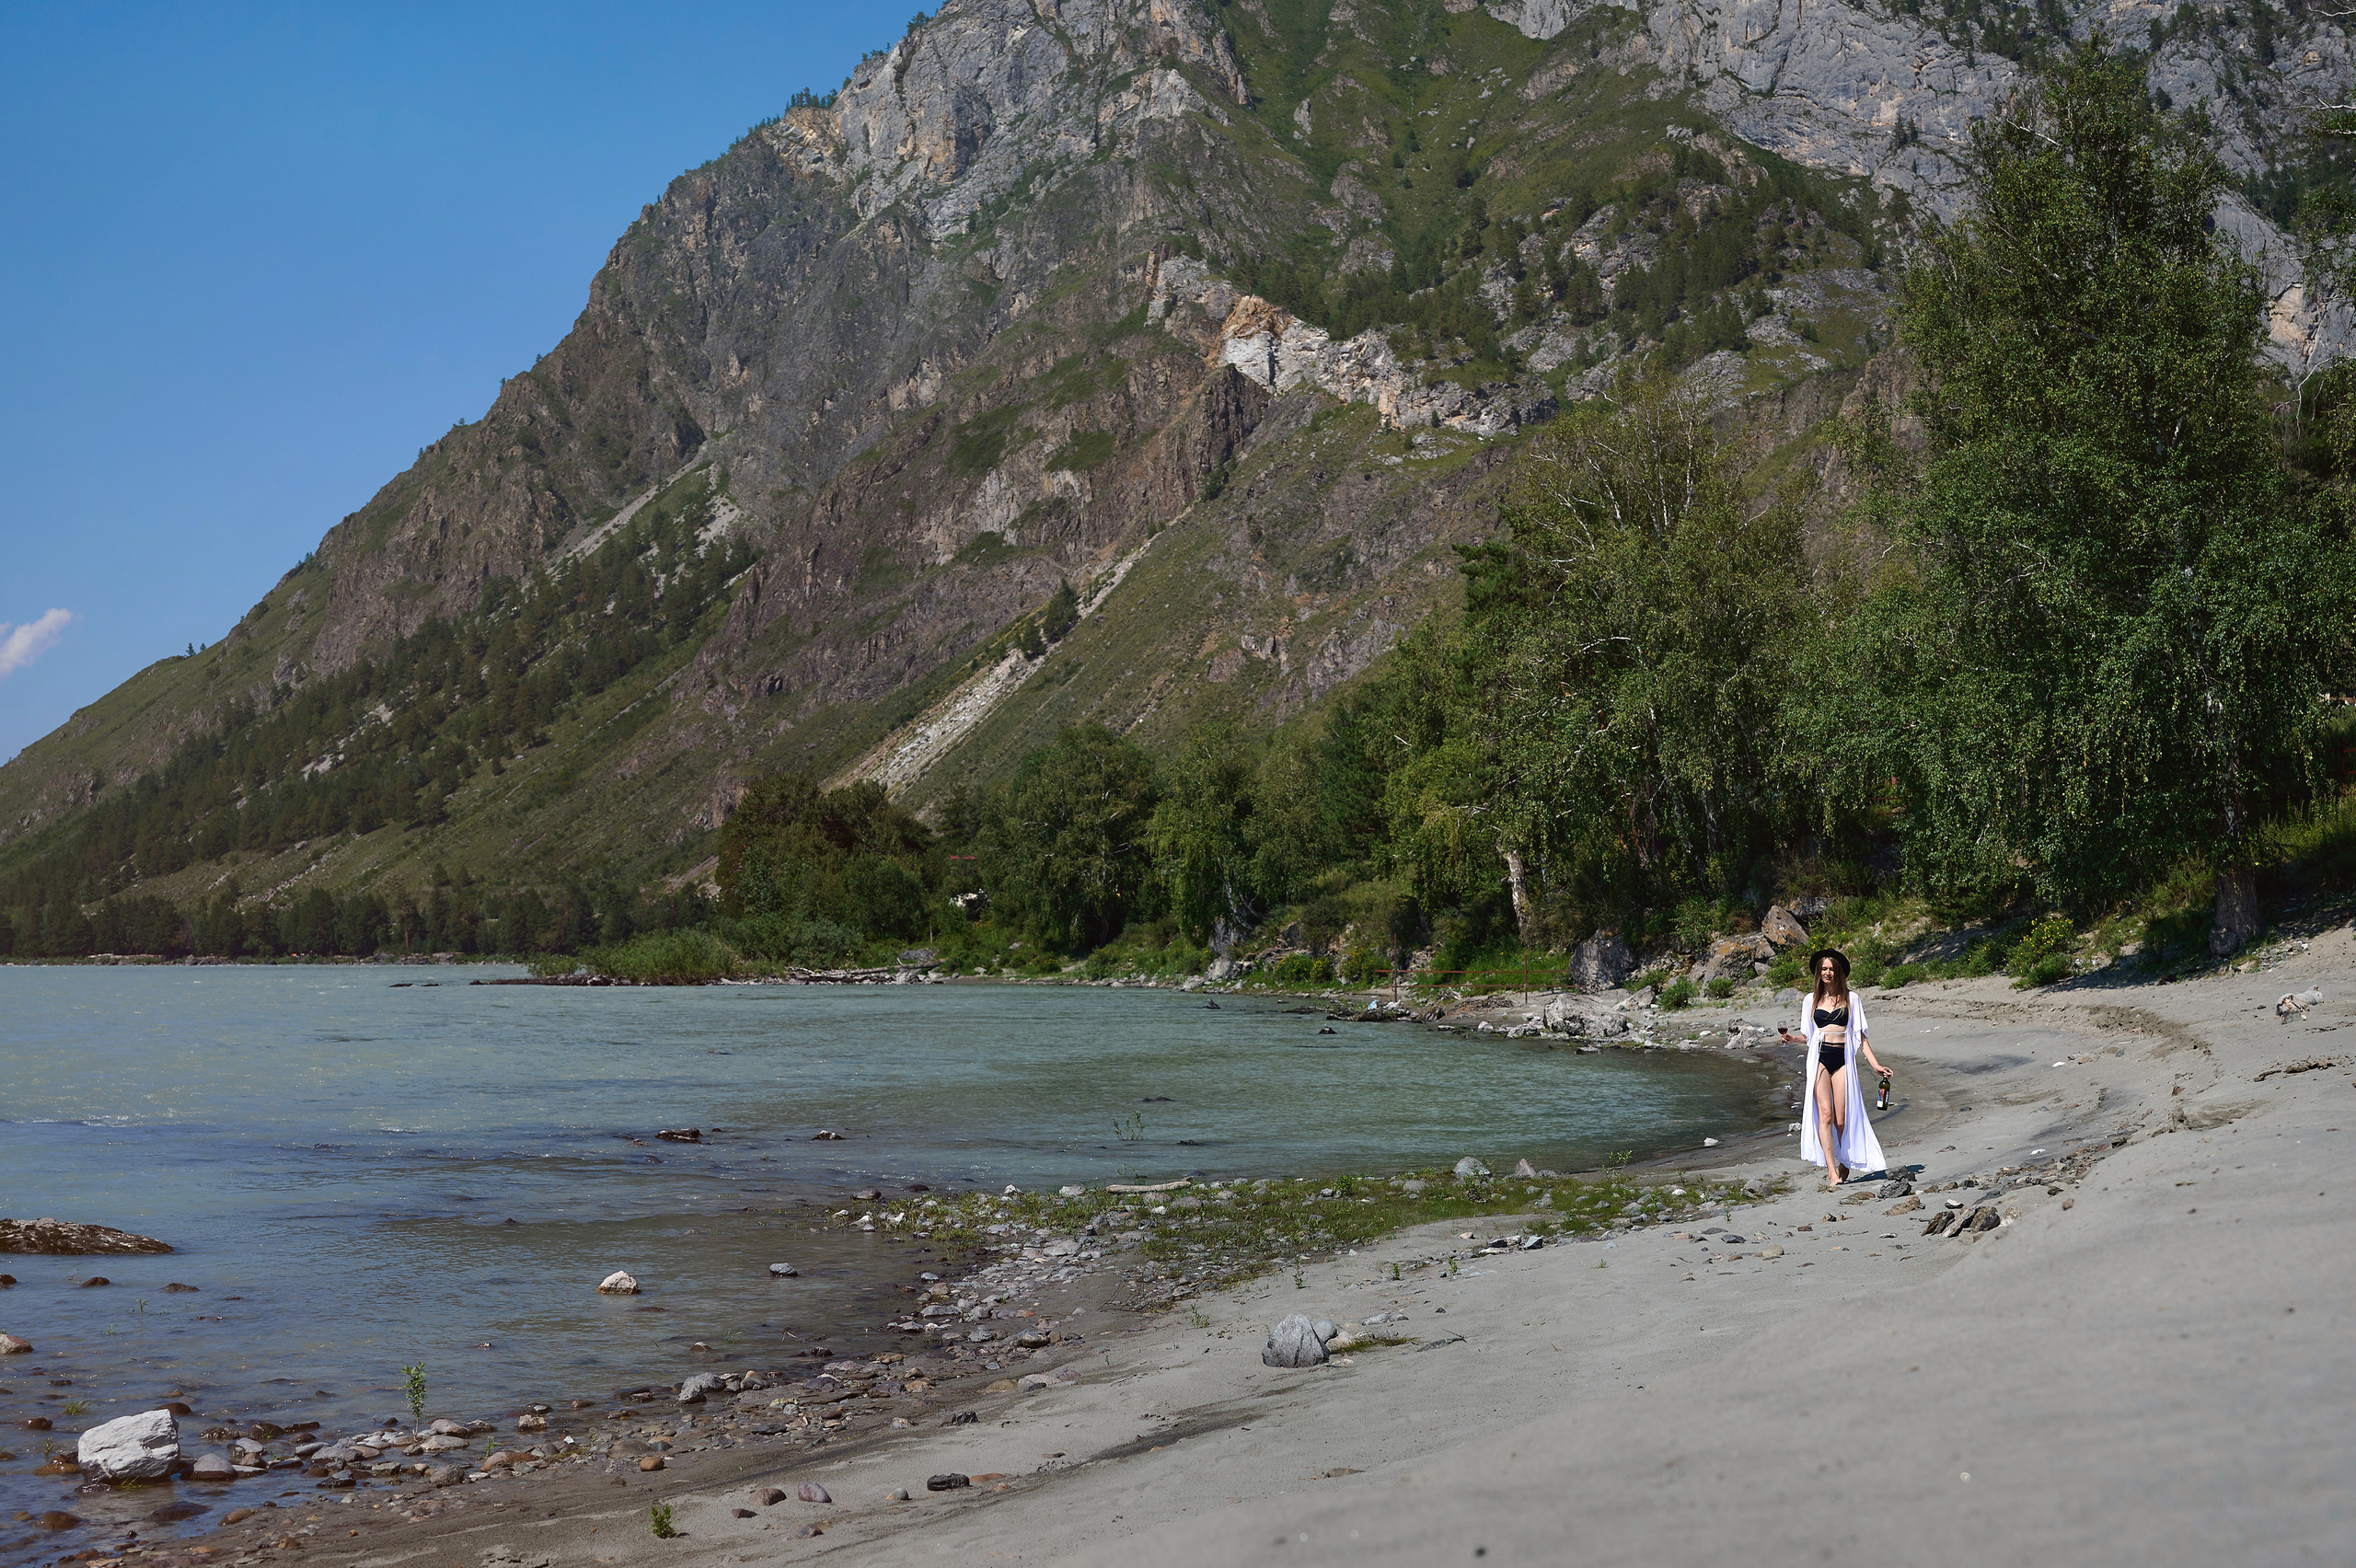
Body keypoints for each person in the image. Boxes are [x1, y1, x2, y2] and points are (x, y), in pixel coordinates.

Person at [1777, 949, 1890, 1187]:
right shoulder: (1811, 999)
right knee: (1825, 1115)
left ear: (1838, 971)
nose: (1827, 973)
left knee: (1841, 1119)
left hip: (1842, 1060)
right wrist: (1792, 1039)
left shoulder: (1852, 998)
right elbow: (1809, 1036)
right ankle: (1832, 1172)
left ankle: (1845, 1161)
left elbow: (1860, 1038)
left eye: (1831, 968)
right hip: (1819, 1059)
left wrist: (1875, 1065)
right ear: (1819, 973)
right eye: (1823, 969)